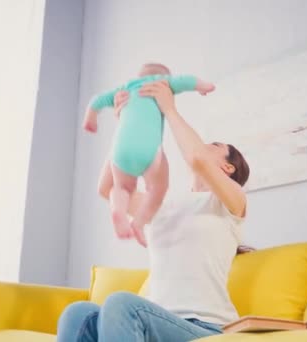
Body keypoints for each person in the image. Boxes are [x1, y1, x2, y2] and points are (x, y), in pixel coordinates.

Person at [59, 79, 250, 342]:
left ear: (229, 168)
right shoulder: (165, 206)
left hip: (205, 327)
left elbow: (196, 158)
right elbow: (109, 188)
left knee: (122, 304)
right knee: (78, 313)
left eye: (213, 146)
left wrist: (169, 109)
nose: (203, 145)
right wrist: (127, 124)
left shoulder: (232, 204)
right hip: (155, 318)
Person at [82, 63, 215, 246]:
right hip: (148, 151)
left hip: (121, 149)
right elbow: (186, 81)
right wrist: (203, 86)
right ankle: (138, 223)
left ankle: (118, 210)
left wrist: (92, 118)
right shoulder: (161, 83)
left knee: (121, 188)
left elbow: (96, 101)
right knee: (157, 188)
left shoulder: (126, 88)